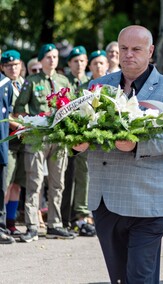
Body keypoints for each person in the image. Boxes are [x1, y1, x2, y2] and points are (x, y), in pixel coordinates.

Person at [73, 25, 163, 283]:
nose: (128, 54)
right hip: (106, 200)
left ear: (150, 51)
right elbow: (79, 127)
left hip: (148, 202)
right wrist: (76, 144)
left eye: (136, 49)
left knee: (140, 277)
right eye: (123, 48)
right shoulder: (96, 87)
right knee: (120, 278)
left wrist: (138, 145)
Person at [14, 43, 74, 242]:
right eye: (48, 57)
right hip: (38, 138)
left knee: (58, 183)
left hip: (59, 138)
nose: (52, 60)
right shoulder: (31, 81)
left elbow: (73, 107)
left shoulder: (64, 80)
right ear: (41, 60)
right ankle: (32, 225)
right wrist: (32, 121)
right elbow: (19, 109)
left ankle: (55, 224)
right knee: (35, 182)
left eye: (55, 57)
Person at [61, 46, 95, 237]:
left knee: (83, 175)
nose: (79, 64)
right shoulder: (63, 81)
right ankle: (65, 217)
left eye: (82, 60)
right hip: (65, 136)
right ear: (69, 63)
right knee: (65, 178)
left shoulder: (90, 83)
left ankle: (81, 216)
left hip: (84, 137)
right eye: (76, 61)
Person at [1, 50, 26, 236]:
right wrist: (20, 126)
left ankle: (11, 221)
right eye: (9, 66)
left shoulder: (25, 84)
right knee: (6, 183)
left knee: (17, 183)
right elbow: (6, 113)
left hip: (23, 141)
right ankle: (2, 221)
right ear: (3, 67)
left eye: (16, 65)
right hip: (9, 139)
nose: (13, 68)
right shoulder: (4, 84)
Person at [0, 73, 15, 244]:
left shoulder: (5, 83)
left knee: (0, 188)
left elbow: (7, 112)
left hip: (1, 143)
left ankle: (1, 226)